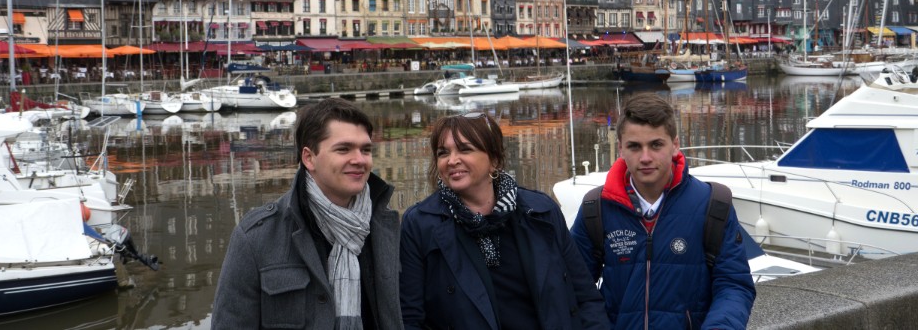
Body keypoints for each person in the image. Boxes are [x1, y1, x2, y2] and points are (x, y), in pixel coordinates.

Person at [400, 112, 609, 329]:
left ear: (494, 160)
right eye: (443, 153)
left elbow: (585, 297)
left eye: (465, 149)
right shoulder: (420, 225)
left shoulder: (541, 211)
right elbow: (410, 317)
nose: (452, 161)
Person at [570, 93, 756, 329]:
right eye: (634, 146)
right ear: (620, 149)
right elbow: (576, 289)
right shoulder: (595, 208)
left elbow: (733, 285)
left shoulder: (713, 205)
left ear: (675, 145)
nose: (645, 157)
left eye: (656, 145)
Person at [212, 97, 401, 329]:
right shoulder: (255, 238)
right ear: (309, 158)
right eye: (343, 149)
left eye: (366, 150)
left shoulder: (387, 229)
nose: (359, 160)